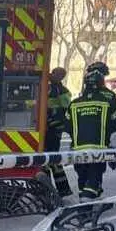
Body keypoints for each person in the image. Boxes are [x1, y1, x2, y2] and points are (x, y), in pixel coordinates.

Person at [68, 63, 116, 200]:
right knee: (95, 173)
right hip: (99, 145)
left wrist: (76, 135)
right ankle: (88, 199)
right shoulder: (108, 98)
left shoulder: (75, 103)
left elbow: (67, 124)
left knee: (82, 175)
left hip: (77, 146)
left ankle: (87, 197)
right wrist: (105, 134)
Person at [44, 67, 74, 198]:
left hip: (53, 130)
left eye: (58, 75)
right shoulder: (48, 87)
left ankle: (56, 190)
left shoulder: (62, 91)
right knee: (46, 160)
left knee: (50, 160)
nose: (54, 76)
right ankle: (51, 190)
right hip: (45, 128)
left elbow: (67, 107)